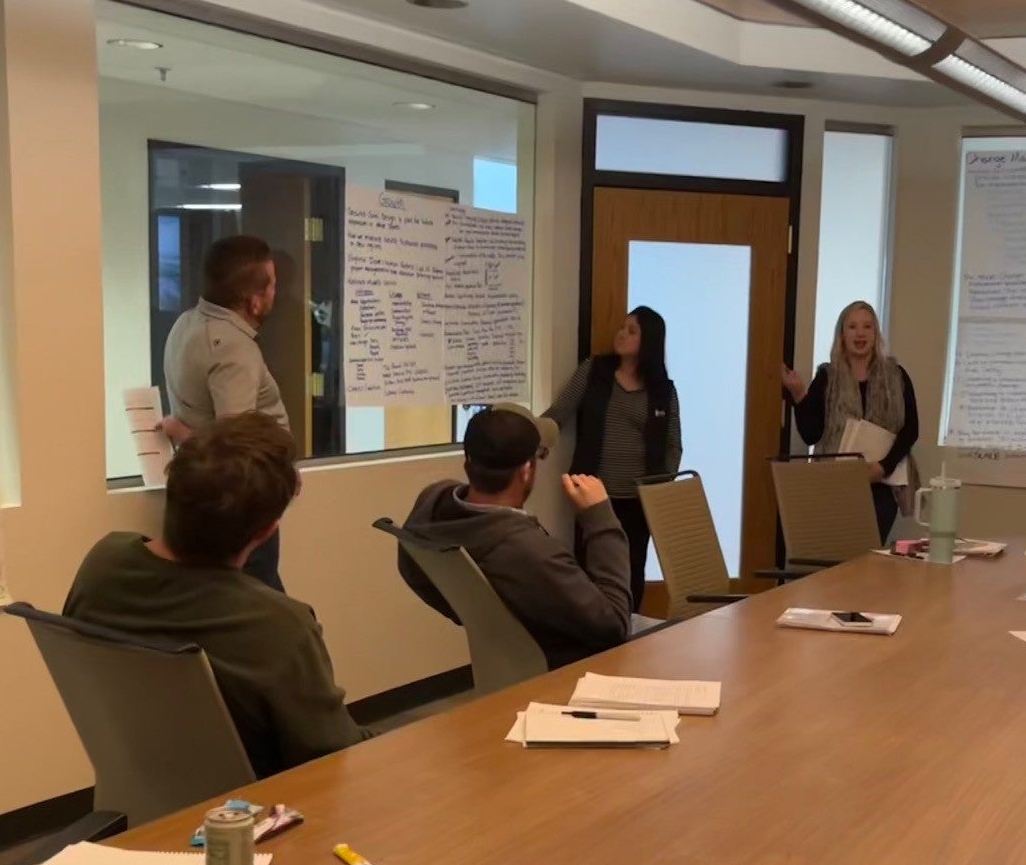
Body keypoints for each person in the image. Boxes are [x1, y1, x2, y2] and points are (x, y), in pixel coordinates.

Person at [63, 412, 369, 778]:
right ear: (266, 532)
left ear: (174, 492)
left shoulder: (103, 566)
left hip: (140, 792)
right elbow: (335, 762)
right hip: (256, 809)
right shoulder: (279, 627)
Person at [399, 405, 633, 669]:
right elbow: (615, 625)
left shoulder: (433, 505)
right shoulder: (528, 551)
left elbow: (411, 567)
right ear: (526, 471)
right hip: (567, 670)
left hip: (510, 663)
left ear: (468, 462)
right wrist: (599, 517)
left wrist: (480, 618)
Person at [159, 234, 291, 593]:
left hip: (206, 502)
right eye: (272, 285)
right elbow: (237, 452)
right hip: (243, 508)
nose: (276, 293)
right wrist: (280, 474)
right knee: (262, 605)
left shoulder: (186, 323)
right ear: (254, 301)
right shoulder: (233, 349)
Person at [544, 307, 680, 607]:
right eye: (622, 327)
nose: (621, 334)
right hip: (592, 493)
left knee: (631, 571)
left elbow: (673, 444)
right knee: (588, 571)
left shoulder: (662, 390)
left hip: (639, 500)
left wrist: (662, 486)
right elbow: (559, 412)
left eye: (632, 331)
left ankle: (628, 628)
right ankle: (591, 631)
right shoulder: (595, 371)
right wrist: (533, 438)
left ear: (649, 341)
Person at [782, 301, 919, 543]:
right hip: (836, 486)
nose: (860, 333)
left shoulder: (896, 376)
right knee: (836, 555)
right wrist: (799, 394)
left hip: (882, 485)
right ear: (842, 335)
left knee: (866, 555)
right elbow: (811, 434)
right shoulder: (827, 376)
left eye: (867, 326)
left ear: (875, 334)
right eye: (852, 327)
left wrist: (882, 467)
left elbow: (911, 429)